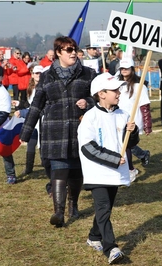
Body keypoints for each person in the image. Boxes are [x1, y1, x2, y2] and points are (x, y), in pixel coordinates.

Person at [19, 36, 97, 228]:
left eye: (74, 49)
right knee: (58, 170)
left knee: (76, 171)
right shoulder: (46, 76)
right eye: (68, 50)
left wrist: (88, 102)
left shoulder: (88, 74)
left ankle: (74, 203)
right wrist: (25, 134)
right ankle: (58, 213)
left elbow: (100, 98)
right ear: (59, 53)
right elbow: (36, 106)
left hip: (79, 131)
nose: (73, 53)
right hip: (54, 132)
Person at [78, 72, 139, 265]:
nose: (118, 92)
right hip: (97, 172)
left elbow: (129, 143)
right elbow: (88, 147)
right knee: (103, 207)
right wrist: (113, 159)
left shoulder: (123, 114)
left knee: (105, 209)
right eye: (114, 90)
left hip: (115, 173)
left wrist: (133, 132)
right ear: (101, 93)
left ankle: (94, 237)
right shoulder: (90, 117)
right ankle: (111, 248)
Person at [117, 58, 152, 182]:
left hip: (133, 120)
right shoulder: (117, 84)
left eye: (126, 68)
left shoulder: (139, 86)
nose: (124, 71)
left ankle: (131, 170)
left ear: (132, 69)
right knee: (123, 145)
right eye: (122, 68)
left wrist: (148, 125)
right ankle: (136, 162)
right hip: (118, 119)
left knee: (125, 145)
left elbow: (145, 106)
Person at [13, 65, 43, 175]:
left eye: (40, 73)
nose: (38, 75)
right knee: (31, 143)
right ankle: (28, 168)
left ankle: (46, 166)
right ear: (32, 74)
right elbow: (29, 104)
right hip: (33, 120)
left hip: (41, 119)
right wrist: (19, 104)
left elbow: (37, 107)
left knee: (41, 144)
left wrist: (23, 112)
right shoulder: (31, 88)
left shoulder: (43, 88)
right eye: (36, 73)